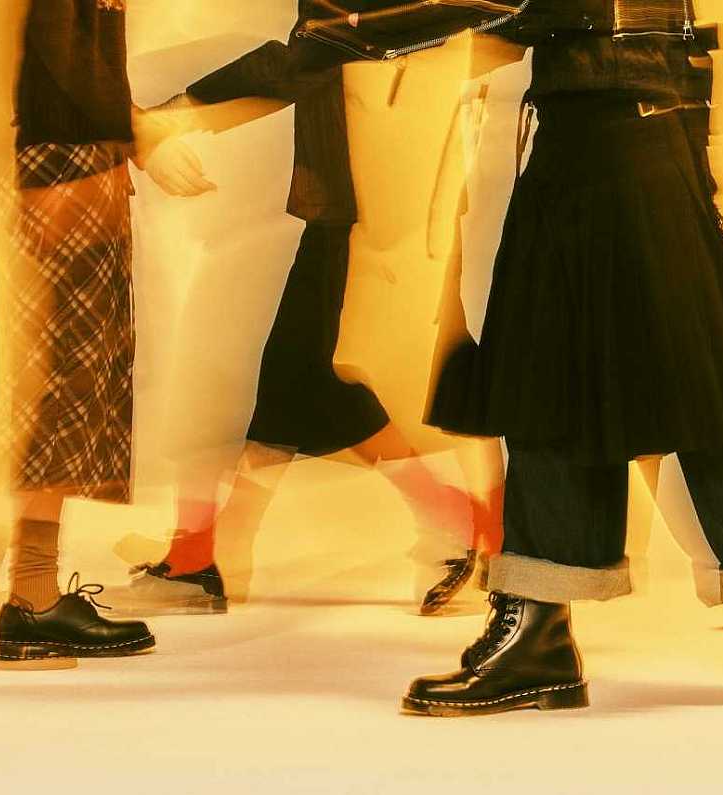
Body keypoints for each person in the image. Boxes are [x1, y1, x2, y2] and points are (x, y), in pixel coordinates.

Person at [405, 0, 723, 716]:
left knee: (694, 366)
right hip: (585, 97)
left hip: (630, 94)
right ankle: (536, 624)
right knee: (550, 359)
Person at [101, 6, 511, 617]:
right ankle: (200, 555)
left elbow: (311, 54)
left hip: (375, 208)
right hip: (366, 203)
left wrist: (175, 115)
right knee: (298, 386)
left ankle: (474, 532)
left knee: (350, 380)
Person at [0, 0, 204, 664]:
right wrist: (12, 174)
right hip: (62, 166)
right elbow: (16, 46)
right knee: (57, 388)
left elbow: (59, 56)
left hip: (72, 162)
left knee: (53, 385)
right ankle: (30, 598)